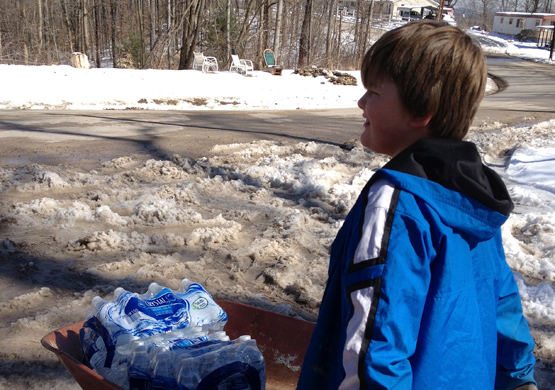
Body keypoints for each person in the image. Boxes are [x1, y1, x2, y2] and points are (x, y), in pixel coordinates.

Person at [297, 20, 537, 390]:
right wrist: (520, 379)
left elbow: (376, 339)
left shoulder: (397, 202)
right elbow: (504, 303)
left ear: (420, 110)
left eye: (373, 92)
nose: (361, 103)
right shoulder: (472, 196)